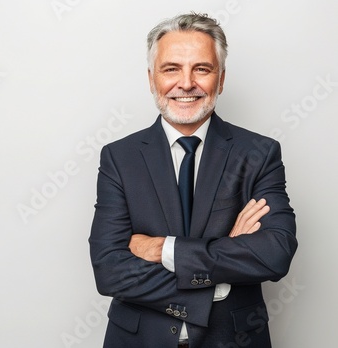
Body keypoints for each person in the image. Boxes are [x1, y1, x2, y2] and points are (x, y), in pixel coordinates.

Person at [89, 13, 297, 348]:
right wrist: (224, 265)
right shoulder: (119, 157)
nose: (186, 83)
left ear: (221, 79)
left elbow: (274, 253)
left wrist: (164, 249)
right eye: (171, 69)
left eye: (201, 68)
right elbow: (110, 271)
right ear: (151, 78)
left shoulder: (260, 153)